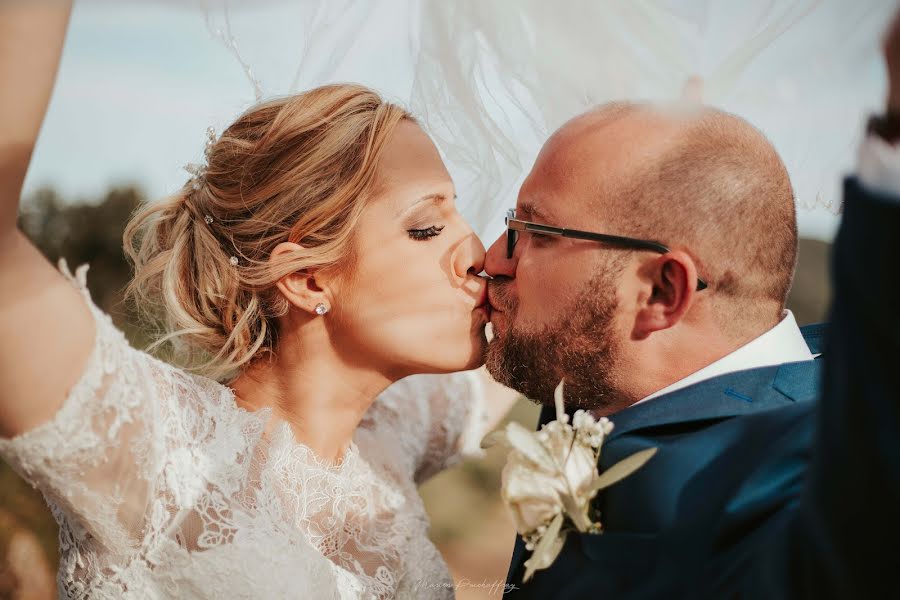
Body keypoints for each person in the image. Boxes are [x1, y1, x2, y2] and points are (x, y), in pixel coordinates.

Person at [0, 3, 518, 598]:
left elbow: (560, 325)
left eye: (460, 213)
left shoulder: (390, 441)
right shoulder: (156, 447)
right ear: (308, 280)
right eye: (426, 227)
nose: (478, 249)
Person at [486, 13, 900, 600]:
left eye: (537, 232)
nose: (491, 258)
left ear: (662, 292)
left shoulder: (811, 466)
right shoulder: (593, 382)